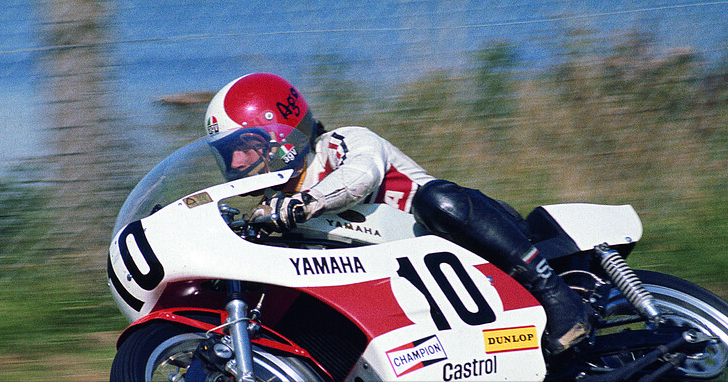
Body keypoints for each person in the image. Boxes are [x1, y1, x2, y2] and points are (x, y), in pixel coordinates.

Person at [204, 73, 591, 354]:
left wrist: (308, 203)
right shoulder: (271, 210)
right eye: (227, 154)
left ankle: (559, 298)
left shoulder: (342, 143)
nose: (236, 161)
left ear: (280, 135)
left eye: (245, 146)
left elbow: (361, 174)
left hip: (468, 237)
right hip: (416, 288)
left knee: (438, 198)